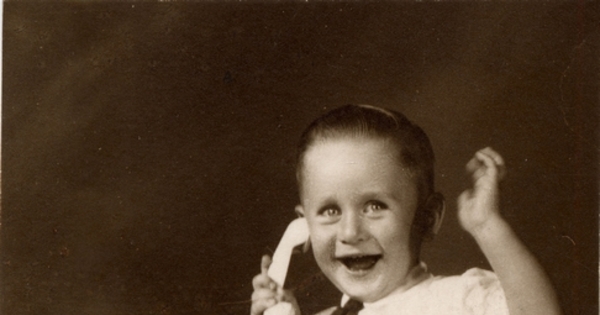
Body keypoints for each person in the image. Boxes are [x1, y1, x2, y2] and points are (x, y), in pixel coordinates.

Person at [251, 105, 561, 315]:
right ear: (303, 226)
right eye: (330, 211)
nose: (349, 232)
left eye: (374, 206)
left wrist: (487, 226)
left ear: (427, 219)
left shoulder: (456, 301)